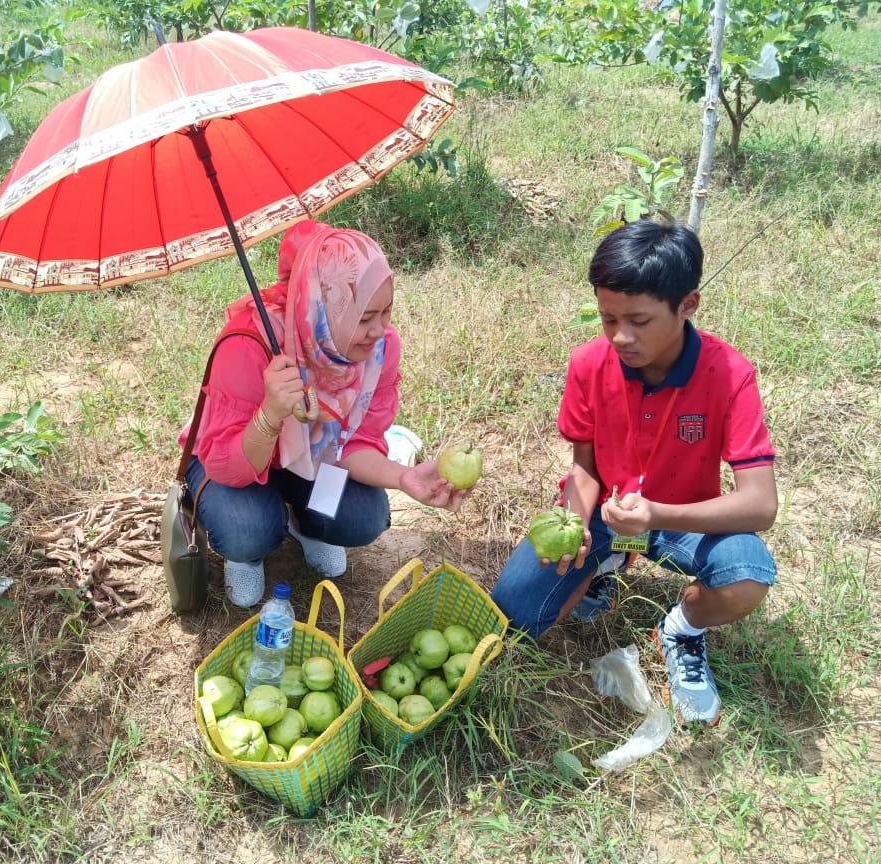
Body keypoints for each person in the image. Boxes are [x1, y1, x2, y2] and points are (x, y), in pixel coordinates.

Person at [491, 219, 778, 726]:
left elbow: (760, 503)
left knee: (748, 575)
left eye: (639, 321)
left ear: (687, 305)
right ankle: (604, 561)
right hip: (606, 513)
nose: (620, 336)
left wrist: (656, 515)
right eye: (607, 319)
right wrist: (577, 525)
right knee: (515, 617)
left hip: (682, 518)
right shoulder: (587, 364)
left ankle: (682, 630)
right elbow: (584, 471)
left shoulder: (730, 374)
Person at [183, 220, 470, 608]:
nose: (378, 330)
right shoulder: (248, 345)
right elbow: (225, 466)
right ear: (321, 307)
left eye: (385, 312)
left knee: (362, 516)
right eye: (364, 317)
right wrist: (270, 412)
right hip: (238, 462)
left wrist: (403, 477)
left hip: (313, 461)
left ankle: (304, 523)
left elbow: (354, 443)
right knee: (247, 529)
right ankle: (248, 554)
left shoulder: (380, 350)